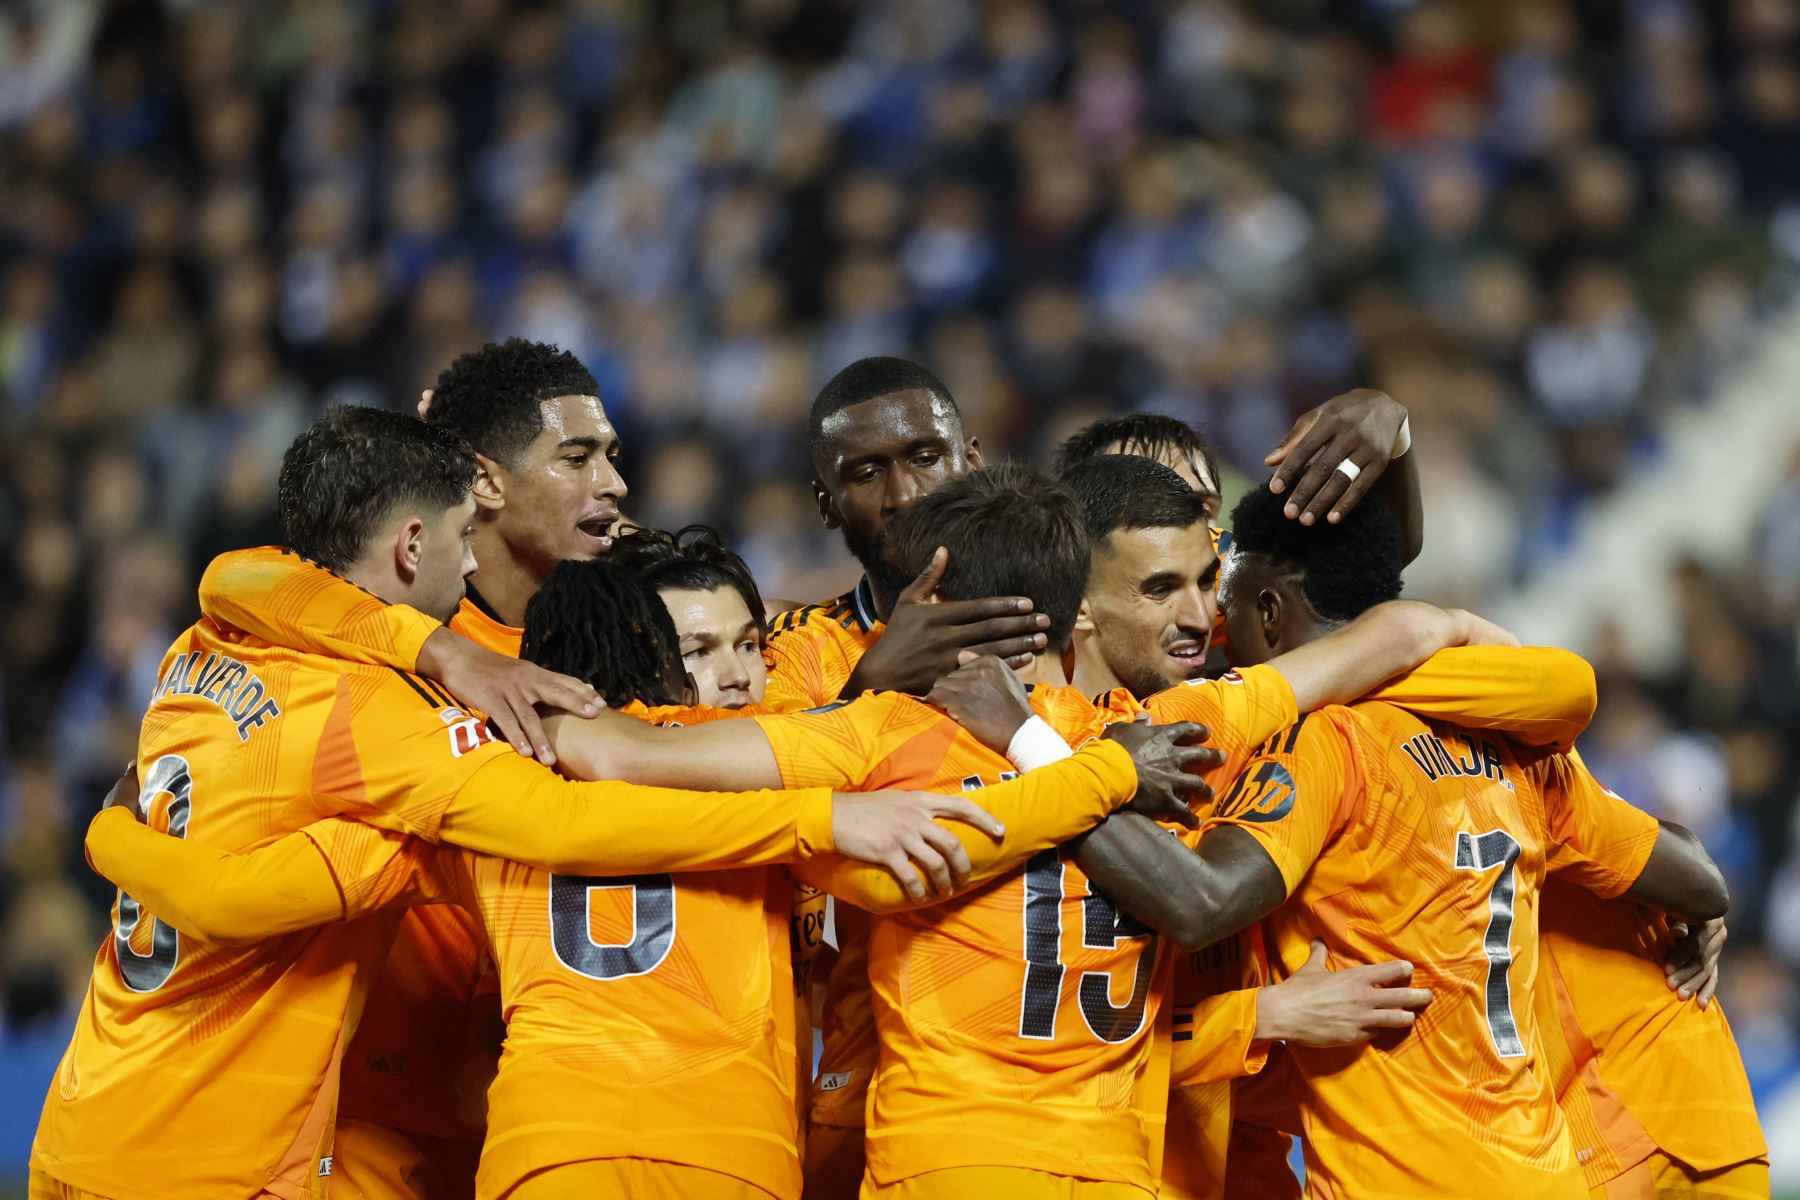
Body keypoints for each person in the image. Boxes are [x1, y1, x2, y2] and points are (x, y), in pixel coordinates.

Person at [30, 406, 996, 1200]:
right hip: (219, 1154)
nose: (468, 565)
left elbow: (235, 575)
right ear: (413, 545)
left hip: (88, 1118)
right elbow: (579, 817)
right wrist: (827, 815)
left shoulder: (207, 639)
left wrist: (110, 832)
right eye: (460, 539)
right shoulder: (395, 731)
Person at [945, 455, 1604, 1200]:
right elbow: (1023, 1044)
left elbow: (1569, 685)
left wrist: (1413, 628)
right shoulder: (957, 739)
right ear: (1083, 601)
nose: (1200, 617)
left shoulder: (1259, 723)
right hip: (1045, 1154)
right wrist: (1260, 1018)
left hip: (1305, 1171)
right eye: (1163, 587)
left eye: (1206, 579)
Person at [1093, 482, 1734, 1198]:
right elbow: (1700, 882)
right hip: (1542, 1169)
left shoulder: (1325, 742)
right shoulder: (1515, 744)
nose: (1213, 625)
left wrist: (1071, 776)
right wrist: (1703, 914)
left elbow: (1205, 900)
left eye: (1227, 603)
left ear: (1268, 612)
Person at [194, 337, 633, 1200]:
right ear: (486, 483)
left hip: (540, 1109)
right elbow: (237, 577)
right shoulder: (385, 618)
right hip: (366, 1118)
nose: (613, 483)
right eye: (578, 457)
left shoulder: (630, 627)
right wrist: (439, 650)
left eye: (613, 456)